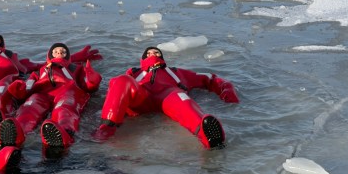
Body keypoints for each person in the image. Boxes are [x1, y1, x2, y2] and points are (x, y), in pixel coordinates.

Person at [93, 47, 239, 149]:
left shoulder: (176, 72)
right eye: (148, 53)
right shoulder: (133, 73)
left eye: (156, 52)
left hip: (168, 95)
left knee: (182, 100)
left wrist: (227, 93)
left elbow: (210, 79)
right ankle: (106, 128)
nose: (152, 54)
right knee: (121, 80)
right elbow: (116, 89)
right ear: (142, 59)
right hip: (141, 97)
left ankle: (208, 135)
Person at [0, 43, 102, 151]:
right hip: (41, 93)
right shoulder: (40, 71)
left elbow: (88, 85)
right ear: (50, 55)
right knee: (30, 107)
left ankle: (65, 130)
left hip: (66, 92)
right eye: (56, 51)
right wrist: (19, 90)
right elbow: (29, 85)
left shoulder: (76, 68)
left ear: (67, 56)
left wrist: (92, 78)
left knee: (65, 108)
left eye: (63, 51)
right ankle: (17, 129)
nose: (59, 53)